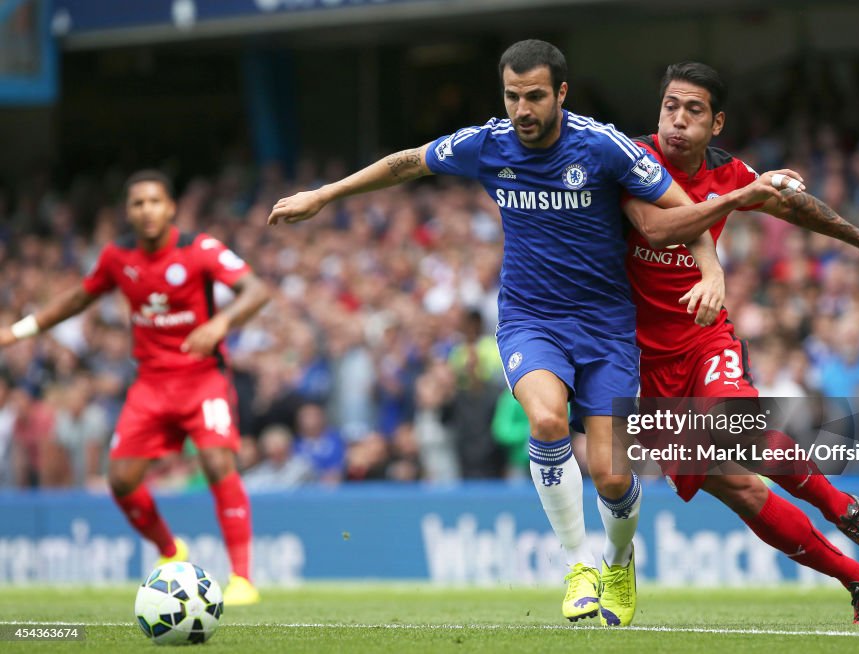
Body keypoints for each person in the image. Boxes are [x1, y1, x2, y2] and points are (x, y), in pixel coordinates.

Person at [268, 39, 802, 625]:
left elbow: (686, 214)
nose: (523, 109)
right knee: (546, 420)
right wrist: (323, 195)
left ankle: (617, 560)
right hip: (531, 318)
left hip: (605, 326)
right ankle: (577, 566)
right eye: (513, 96)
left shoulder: (603, 147)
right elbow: (409, 162)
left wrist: (713, 273)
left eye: (535, 96)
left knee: (612, 476)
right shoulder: (487, 144)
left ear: (561, 94)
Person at [622, 62, 859, 624]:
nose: (677, 120)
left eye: (693, 110)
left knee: (738, 426)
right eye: (670, 106)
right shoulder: (631, 164)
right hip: (640, 367)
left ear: (717, 123)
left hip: (703, 339)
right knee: (739, 489)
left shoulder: (729, 171)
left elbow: (794, 205)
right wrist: (741, 198)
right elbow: (661, 228)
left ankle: (845, 508)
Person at [0, 170, 270, 606]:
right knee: (121, 479)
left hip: (203, 379)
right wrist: (21, 329)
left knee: (218, 462)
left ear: (171, 208)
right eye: (138, 203)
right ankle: (170, 550)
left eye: (154, 202)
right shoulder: (117, 257)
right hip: (150, 385)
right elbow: (78, 298)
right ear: (128, 211)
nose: (147, 210)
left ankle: (242, 578)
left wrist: (220, 323)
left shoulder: (198, 249)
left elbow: (257, 290)